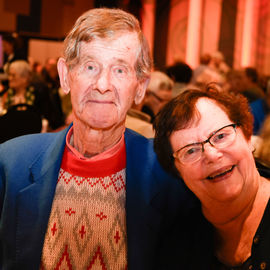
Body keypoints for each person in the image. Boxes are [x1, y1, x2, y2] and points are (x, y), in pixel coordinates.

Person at [0, 8, 194, 270]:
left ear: (140, 87)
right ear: (65, 76)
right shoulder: (11, 164)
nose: (103, 84)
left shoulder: (171, 175)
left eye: (120, 70)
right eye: (90, 66)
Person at [153, 84, 270, 269]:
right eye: (191, 150)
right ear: (177, 171)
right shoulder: (176, 248)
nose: (212, 155)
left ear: (248, 135)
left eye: (221, 136)